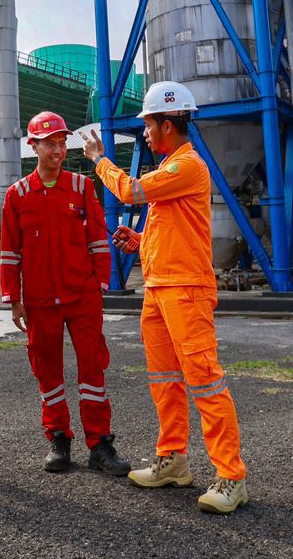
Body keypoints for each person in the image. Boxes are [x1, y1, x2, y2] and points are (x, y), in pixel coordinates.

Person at [81, 81, 250, 513]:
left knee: (205, 381)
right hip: (158, 288)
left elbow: (130, 191)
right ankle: (173, 459)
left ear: (168, 124)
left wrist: (100, 160)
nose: (146, 134)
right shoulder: (172, 168)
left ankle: (231, 477)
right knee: (164, 380)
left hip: (185, 290)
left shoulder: (186, 166)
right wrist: (138, 241)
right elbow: (172, 231)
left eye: (149, 126)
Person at [0, 110, 131, 476]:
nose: (58, 151)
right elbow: (10, 252)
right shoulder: (17, 195)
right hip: (40, 301)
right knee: (48, 371)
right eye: (50, 144)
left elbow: (98, 241)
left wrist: (100, 284)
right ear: (34, 146)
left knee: (93, 367)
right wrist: (14, 299)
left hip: (82, 296)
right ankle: (59, 438)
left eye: (62, 144)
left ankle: (100, 444)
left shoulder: (82, 186)